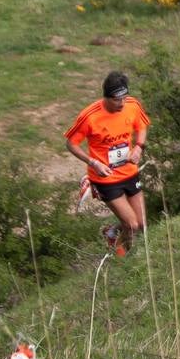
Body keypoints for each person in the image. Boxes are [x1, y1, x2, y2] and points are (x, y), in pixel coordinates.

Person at [64, 71, 150, 258]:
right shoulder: (90, 116)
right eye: (117, 100)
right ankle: (123, 258)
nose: (122, 103)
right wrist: (93, 162)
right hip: (106, 178)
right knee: (131, 225)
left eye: (124, 98)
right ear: (106, 97)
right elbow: (71, 143)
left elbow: (142, 125)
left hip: (130, 172)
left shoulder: (132, 105)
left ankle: (112, 232)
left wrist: (139, 147)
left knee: (142, 223)